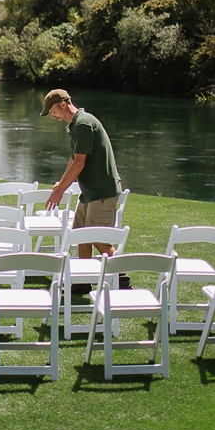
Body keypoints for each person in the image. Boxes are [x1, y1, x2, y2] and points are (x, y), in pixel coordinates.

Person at [41, 89, 125, 291]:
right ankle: (82, 281)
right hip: (89, 193)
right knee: (80, 235)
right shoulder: (76, 125)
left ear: (63, 104)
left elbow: (80, 163)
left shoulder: (84, 123)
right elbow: (74, 160)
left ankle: (122, 277)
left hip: (101, 192)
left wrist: (60, 191)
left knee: (100, 241)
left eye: (52, 111)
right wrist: (60, 184)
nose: (53, 116)